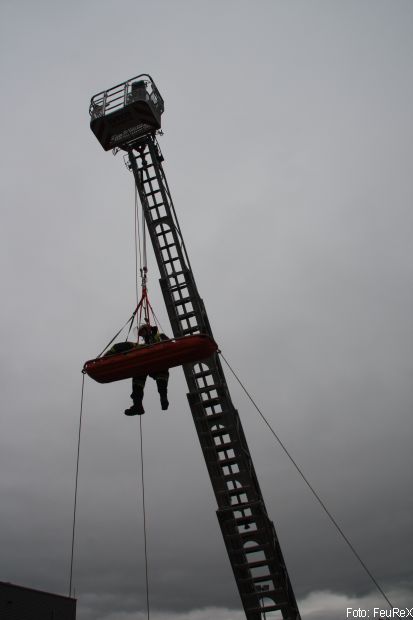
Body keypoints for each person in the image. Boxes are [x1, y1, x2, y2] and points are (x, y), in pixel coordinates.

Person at [125, 323, 170, 416]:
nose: (142, 335)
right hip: (149, 362)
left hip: (160, 359)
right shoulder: (144, 344)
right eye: (140, 334)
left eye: (142, 332)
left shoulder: (159, 336)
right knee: (138, 378)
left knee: (161, 376)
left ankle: (163, 398)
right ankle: (137, 405)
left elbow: (169, 344)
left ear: (148, 329)